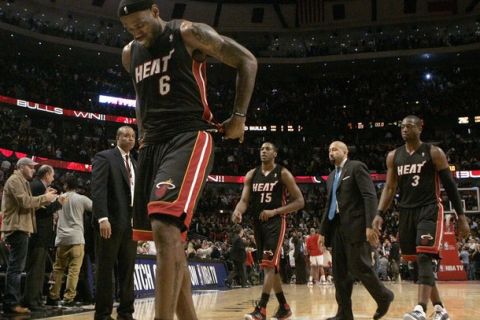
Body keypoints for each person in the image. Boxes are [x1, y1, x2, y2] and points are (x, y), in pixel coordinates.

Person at [118, 0, 257, 319]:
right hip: (151, 145)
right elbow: (142, 96)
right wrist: (141, 133)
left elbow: (247, 60)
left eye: (139, 23)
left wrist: (238, 116)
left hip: (188, 136)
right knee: (169, 239)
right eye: (128, 28)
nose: (135, 31)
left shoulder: (188, 33)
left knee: (165, 228)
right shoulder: (130, 54)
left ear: (155, 11)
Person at [372, 115, 470, 320]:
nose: (404, 129)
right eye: (402, 127)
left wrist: (461, 216)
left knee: (425, 256)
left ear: (420, 128)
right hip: (406, 211)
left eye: (409, 126)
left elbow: (450, 187)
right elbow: (390, 188)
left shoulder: (434, 153)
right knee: (417, 260)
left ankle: (420, 309)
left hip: (429, 209)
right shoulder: (394, 156)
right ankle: (440, 309)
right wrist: (380, 213)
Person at [319, 141, 394, 320]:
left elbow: (369, 195)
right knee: (339, 273)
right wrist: (322, 231)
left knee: (360, 266)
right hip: (336, 227)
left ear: (345, 151)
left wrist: (370, 225)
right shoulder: (330, 177)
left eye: (335, 149)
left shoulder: (356, 167)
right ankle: (344, 313)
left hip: (356, 226)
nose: (331, 152)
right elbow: (329, 205)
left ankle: (384, 296)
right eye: (329, 150)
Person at [232, 142, 305, 320]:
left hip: (276, 222)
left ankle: (261, 309)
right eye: (261, 149)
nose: (263, 151)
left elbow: (300, 201)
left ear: (275, 154)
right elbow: (244, 200)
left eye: (267, 149)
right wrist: (238, 210)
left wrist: (275, 211)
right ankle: (284, 308)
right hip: (258, 223)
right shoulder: (251, 174)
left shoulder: (283, 173)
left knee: (268, 266)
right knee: (272, 268)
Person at [91, 126, 138, 320]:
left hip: (130, 225)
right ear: (117, 138)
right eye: (126, 135)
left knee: (128, 270)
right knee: (105, 268)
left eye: (133, 136)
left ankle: (126, 312)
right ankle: (102, 314)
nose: (130, 139)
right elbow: (98, 189)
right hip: (110, 222)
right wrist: (102, 218)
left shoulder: (135, 163)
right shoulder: (105, 157)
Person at [0, 158, 57, 315]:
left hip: (22, 228)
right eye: (31, 168)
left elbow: (30, 204)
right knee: (15, 268)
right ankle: (11, 303)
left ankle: (12, 301)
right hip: (17, 228)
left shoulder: (22, 181)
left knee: (17, 268)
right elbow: (25, 202)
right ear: (22, 167)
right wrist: (45, 198)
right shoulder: (14, 180)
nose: (33, 170)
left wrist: (44, 199)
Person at [48, 174, 92, 306]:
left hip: (61, 238)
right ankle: (68, 298)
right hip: (77, 238)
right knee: (74, 270)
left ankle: (53, 295)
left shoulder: (59, 198)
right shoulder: (82, 199)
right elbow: (96, 209)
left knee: (58, 268)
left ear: (66, 186)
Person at [23, 164, 60, 311]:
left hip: (40, 234)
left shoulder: (39, 186)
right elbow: (42, 212)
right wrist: (58, 203)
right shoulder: (37, 186)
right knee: (36, 269)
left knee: (38, 269)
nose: (53, 177)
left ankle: (36, 300)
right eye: (52, 175)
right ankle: (32, 301)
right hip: (39, 234)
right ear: (46, 175)